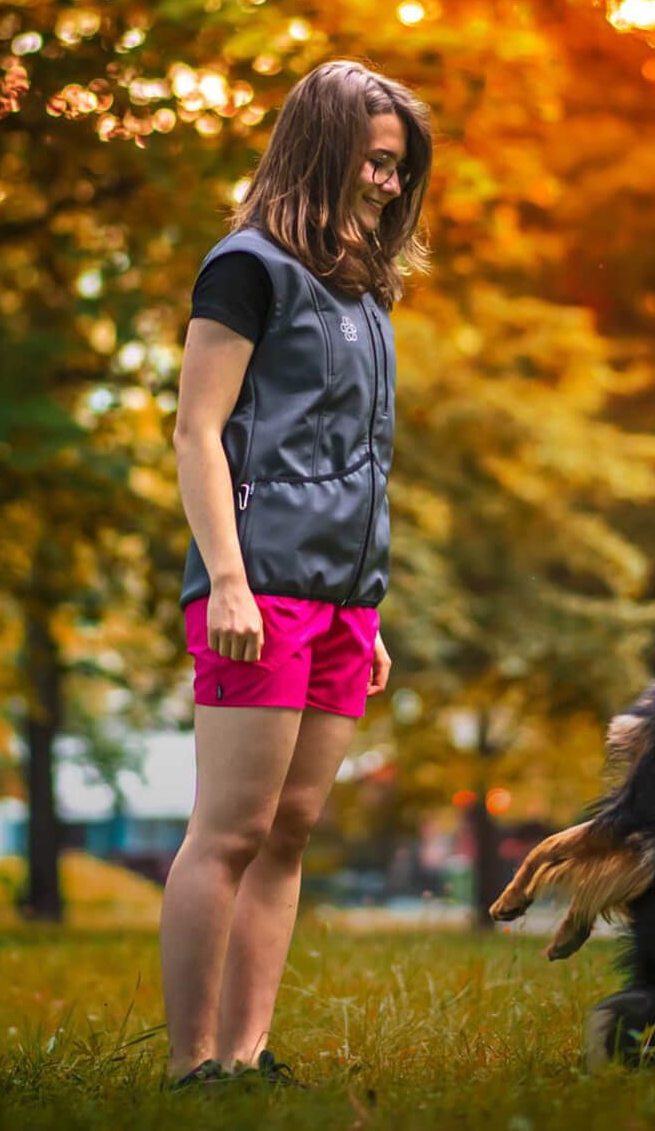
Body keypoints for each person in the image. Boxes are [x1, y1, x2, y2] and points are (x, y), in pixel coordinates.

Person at [160, 60, 432, 1088]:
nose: (387, 185)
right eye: (373, 162)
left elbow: (357, 461)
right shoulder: (245, 268)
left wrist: (370, 604)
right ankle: (192, 1069)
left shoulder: (365, 297)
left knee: (290, 831)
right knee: (229, 831)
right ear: (321, 151)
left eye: (399, 170)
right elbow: (196, 431)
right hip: (257, 587)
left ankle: (246, 1051)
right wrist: (227, 580)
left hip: (342, 600)